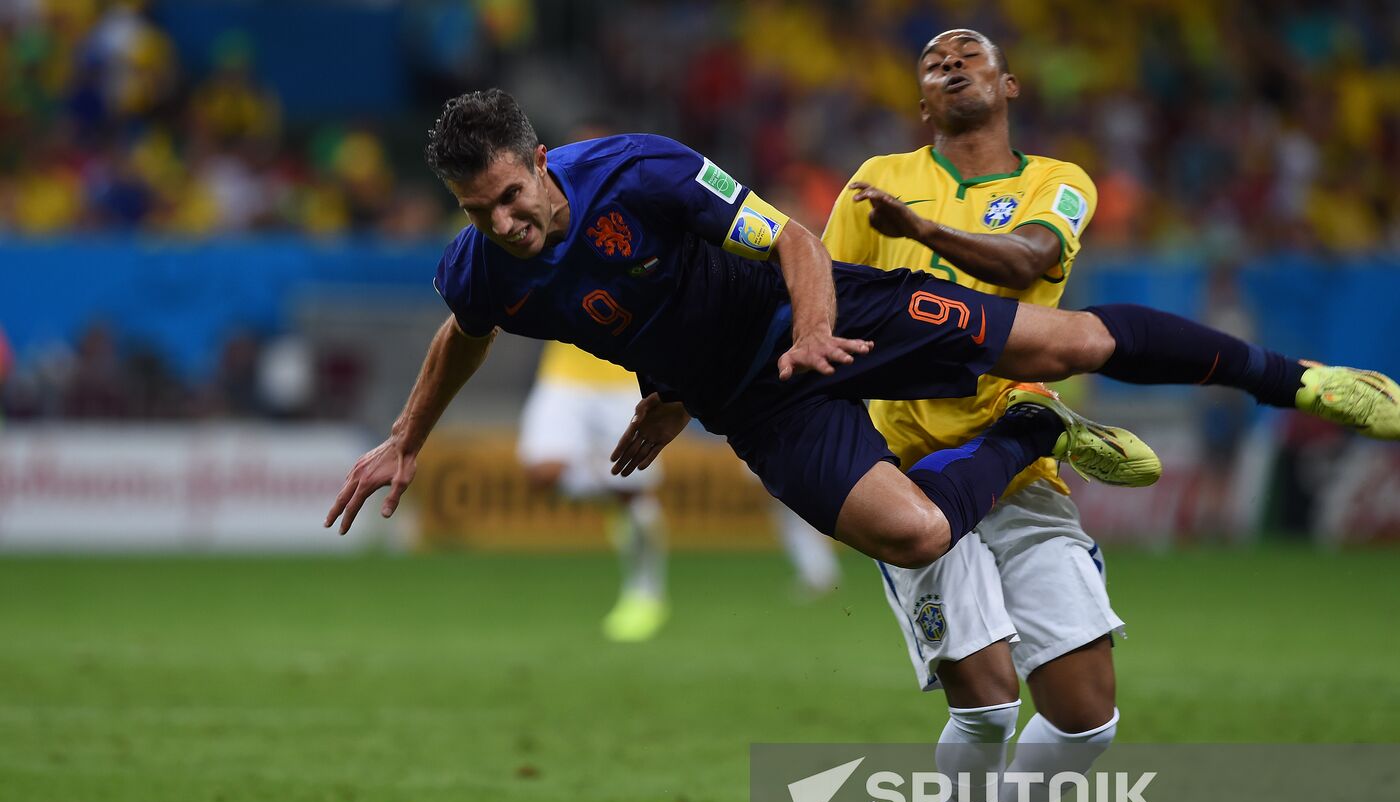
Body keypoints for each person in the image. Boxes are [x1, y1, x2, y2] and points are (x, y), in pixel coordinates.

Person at [325, 89, 1396, 611]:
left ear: (541, 162)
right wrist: (405, 437)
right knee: (919, 534)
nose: (505, 224)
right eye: (480, 212)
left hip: (834, 317)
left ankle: (1300, 381)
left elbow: (789, 237)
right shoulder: (483, 265)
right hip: (760, 408)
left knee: (1063, 338)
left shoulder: (639, 171)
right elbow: (460, 336)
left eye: (512, 197)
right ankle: (1026, 430)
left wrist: (818, 327)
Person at [820, 28, 1114, 802]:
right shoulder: (879, 179)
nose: (948, 62)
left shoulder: (1060, 181)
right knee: (987, 706)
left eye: (969, 55)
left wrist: (925, 235)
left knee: (1086, 725)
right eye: (933, 63)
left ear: (1009, 84)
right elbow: (818, 297)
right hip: (911, 478)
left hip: (1023, 467)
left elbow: (1027, 262)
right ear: (923, 103)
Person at [519, 339, 669, 641]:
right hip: (565, 370)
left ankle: (645, 593)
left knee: (635, 492)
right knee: (541, 473)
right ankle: (608, 480)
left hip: (627, 372)